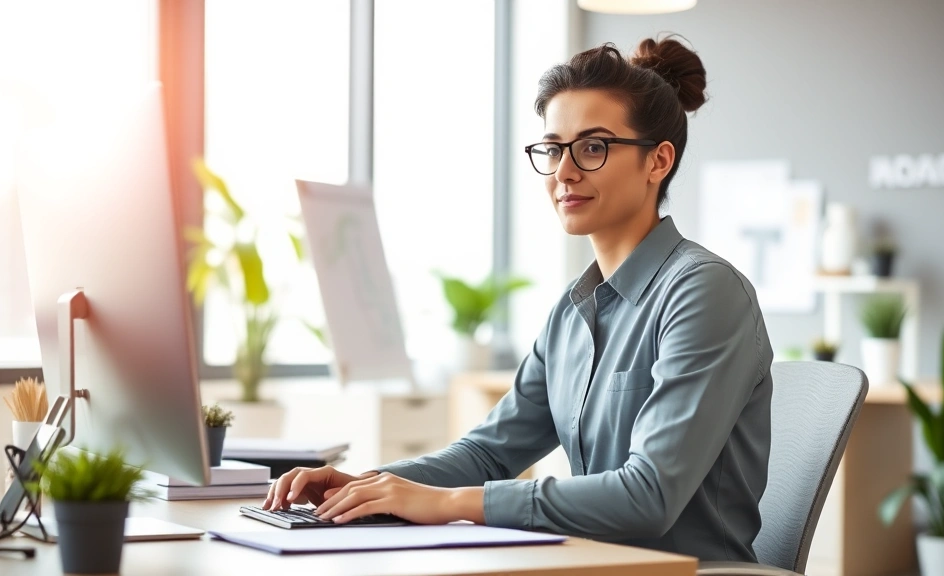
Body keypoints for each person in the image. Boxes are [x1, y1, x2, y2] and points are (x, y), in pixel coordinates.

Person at [266, 35, 773, 562]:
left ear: (657, 161)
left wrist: (449, 503)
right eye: (553, 149)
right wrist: (369, 484)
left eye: (593, 147)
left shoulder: (703, 292)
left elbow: (648, 496)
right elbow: (489, 453)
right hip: (587, 567)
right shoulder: (573, 311)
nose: (564, 171)